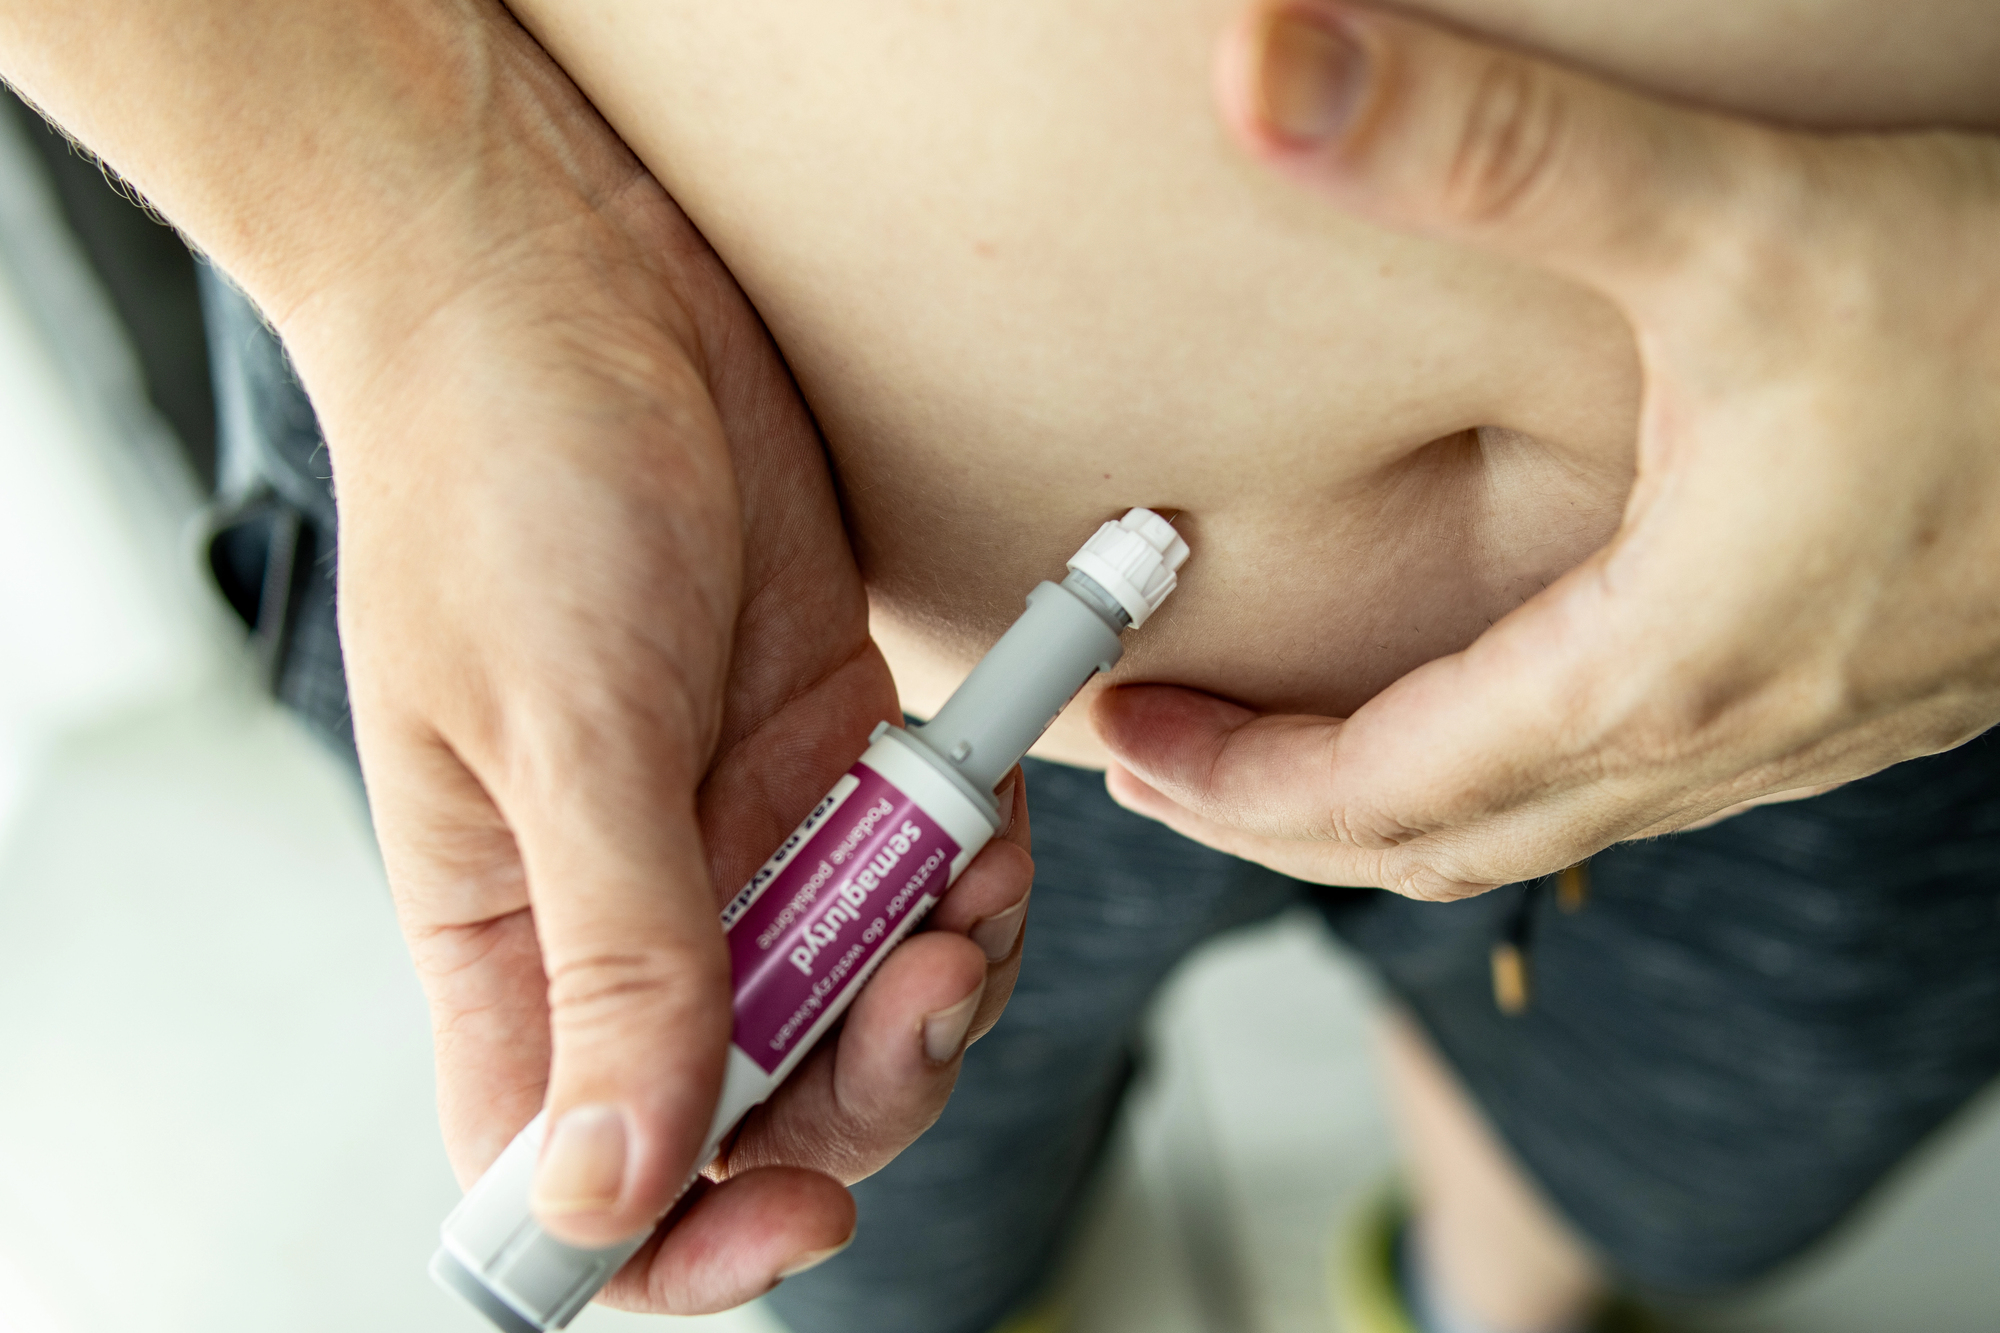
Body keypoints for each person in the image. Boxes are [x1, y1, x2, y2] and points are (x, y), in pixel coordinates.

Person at [3, 0, 1997, 1330]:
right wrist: (414, 246)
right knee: (883, 1207)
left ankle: (1483, 1299)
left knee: (1676, 1153)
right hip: (723, 604)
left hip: (1863, 644)